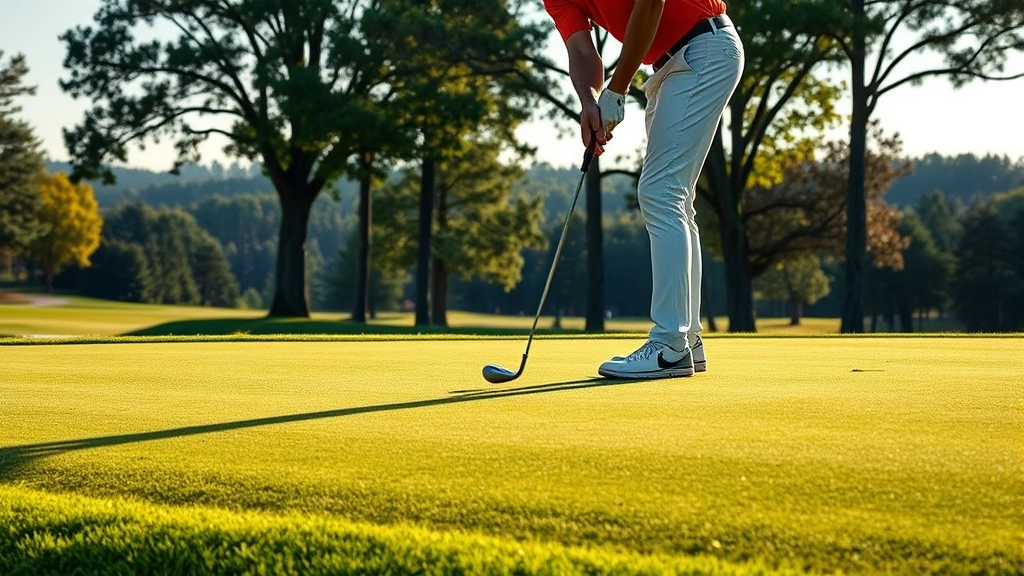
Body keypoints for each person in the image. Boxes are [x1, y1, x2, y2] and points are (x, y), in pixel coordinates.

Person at [542, 0, 743, 379]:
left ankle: (669, 344)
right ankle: (688, 340)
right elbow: (582, 50)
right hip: (670, 65)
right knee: (676, 200)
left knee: (660, 191)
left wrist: (617, 90)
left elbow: (652, 3)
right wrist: (590, 102)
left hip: (705, 45)